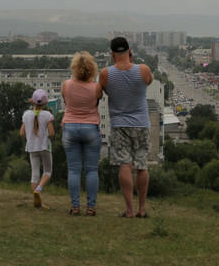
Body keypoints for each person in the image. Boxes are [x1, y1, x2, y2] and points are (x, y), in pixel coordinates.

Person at [99, 37, 153, 218]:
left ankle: (129, 209)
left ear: (112, 54)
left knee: (124, 165)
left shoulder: (106, 74)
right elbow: (149, 81)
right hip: (141, 124)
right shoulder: (143, 70)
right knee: (142, 165)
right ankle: (142, 208)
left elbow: (103, 91)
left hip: (119, 124)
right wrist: (132, 62)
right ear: (130, 51)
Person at [61, 51, 103, 216]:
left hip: (70, 128)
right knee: (92, 170)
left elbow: (66, 100)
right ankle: (91, 207)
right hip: (91, 128)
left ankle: (75, 206)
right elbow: (97, 101)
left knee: (73, 170)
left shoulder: (66, 85)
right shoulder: (96, 88)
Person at [19, 89, 55, 210]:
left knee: (34, 174)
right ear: (45, 103)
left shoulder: (26, 114)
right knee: (48, 171)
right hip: (44, 147)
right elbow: (51, 133)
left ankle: (38, 204)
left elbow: (22, 133)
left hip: (32, 147)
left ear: (32, 101)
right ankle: (38, 190)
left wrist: (31, 135)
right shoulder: (47, 115)